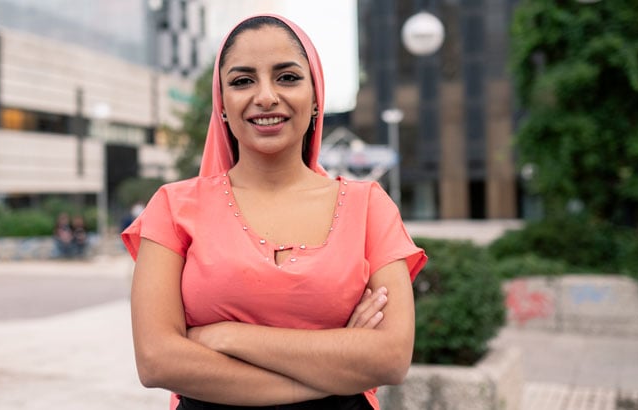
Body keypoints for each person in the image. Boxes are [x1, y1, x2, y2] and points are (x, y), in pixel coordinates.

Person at [122, 14, 427, 410]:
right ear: (223, 106)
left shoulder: (369, 206)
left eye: (287, 77)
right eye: (242, 81)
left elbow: (389, 358)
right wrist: (333, 372)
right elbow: (157, 361)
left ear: (316, 96)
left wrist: (228, 336)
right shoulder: (173, 206)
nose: (265, 96)